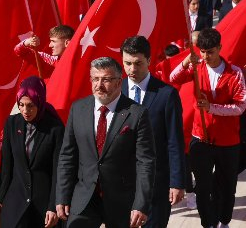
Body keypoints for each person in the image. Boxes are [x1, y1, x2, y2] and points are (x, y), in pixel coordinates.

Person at [56, 57, 155, 228]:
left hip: (121, 200)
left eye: (106, 79)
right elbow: (67, 156)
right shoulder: (78, 109)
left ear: (118, 82)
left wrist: (141, 203)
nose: (99, 85)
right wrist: (62, 196)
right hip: (84, 198)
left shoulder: (136, 113)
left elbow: (145, 162)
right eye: (95, 79)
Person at [170, 28, 246, 228]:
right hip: (200, 138)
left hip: (227, 141)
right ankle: (208, 223)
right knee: (202, 187)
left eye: (210, 51)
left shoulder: (235, 73)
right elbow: (173, 78)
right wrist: (186, 61)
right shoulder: (197, 68)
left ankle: (224, 220)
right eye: (202, 51)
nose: (206, 56)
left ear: (220, 48)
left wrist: (212, 108)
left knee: (227, 185)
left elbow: (240, 106)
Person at [120, 36, 185, 228]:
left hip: (157, 183)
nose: (132, 69)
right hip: (123, 183)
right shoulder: (116, 90)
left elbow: (175, 141)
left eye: (138, 63)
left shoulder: (166, 94)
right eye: (127, 63)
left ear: (149, 61)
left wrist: (177, 181)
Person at [0, 76, 64, 228]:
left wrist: (53, 205)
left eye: (31, 105)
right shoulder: (12, 123)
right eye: (21, 105)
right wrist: (0, 198)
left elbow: (58, 172)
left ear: (40, 102)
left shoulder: (55, 129)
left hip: (43, 207)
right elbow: (7, 165)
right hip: (15, 202)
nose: (25, 111)